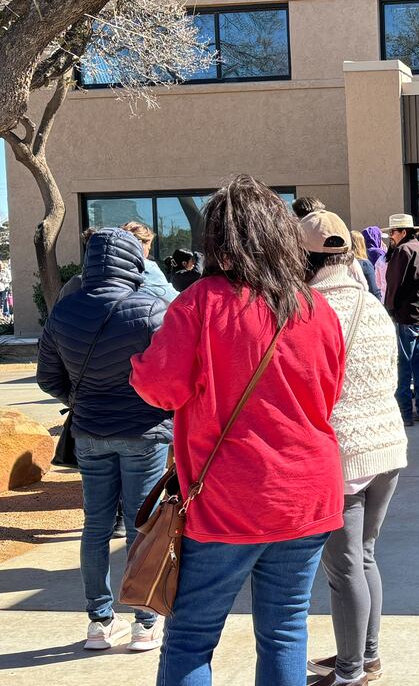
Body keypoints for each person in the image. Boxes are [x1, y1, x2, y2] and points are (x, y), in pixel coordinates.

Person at [130, 175, 347, 686]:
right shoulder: (316, 308)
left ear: (219, 242)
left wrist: (139, 362)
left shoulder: (201, 303)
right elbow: (329, 394)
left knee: (192, 636)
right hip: (308, 494)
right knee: (286, 630)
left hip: (228, 497)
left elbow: (160, 389)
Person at [36, 228, 172, 652]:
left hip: (90, 432)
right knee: (141, 525)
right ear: (134, 259)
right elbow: (173, 377)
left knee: (95, 525)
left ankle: (99, 621)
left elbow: (47, 377)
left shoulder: (64, 310)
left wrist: (83, 398)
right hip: (144, 431)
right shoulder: (152, 308)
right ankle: (144, 621)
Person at [300, 211, 408, 686]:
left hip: (342, 452)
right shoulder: (372, 304)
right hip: (388, 445)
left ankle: (349, 673)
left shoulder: (308, 310)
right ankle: (367, 657)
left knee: (344, 569)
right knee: (364, 557)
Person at [382, 214, 419, 425]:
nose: (390, 237)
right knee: (418, 365)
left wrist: (390, 309)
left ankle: (405, 413)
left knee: (403, 367)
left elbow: (394, 285)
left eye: (392, 233)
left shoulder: (403, 251)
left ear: (404, 232)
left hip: (405, 316)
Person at [120, 222, 180, 304]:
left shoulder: (106, 267)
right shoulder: (146, 267)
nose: (149, 249)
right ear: (140, 244)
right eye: (149, 246)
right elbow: (174, 299)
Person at [350, 230, 382, 301]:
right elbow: (373, 290)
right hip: (361, 302)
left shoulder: (342, 263)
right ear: (361, 244)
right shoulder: (365, 264)